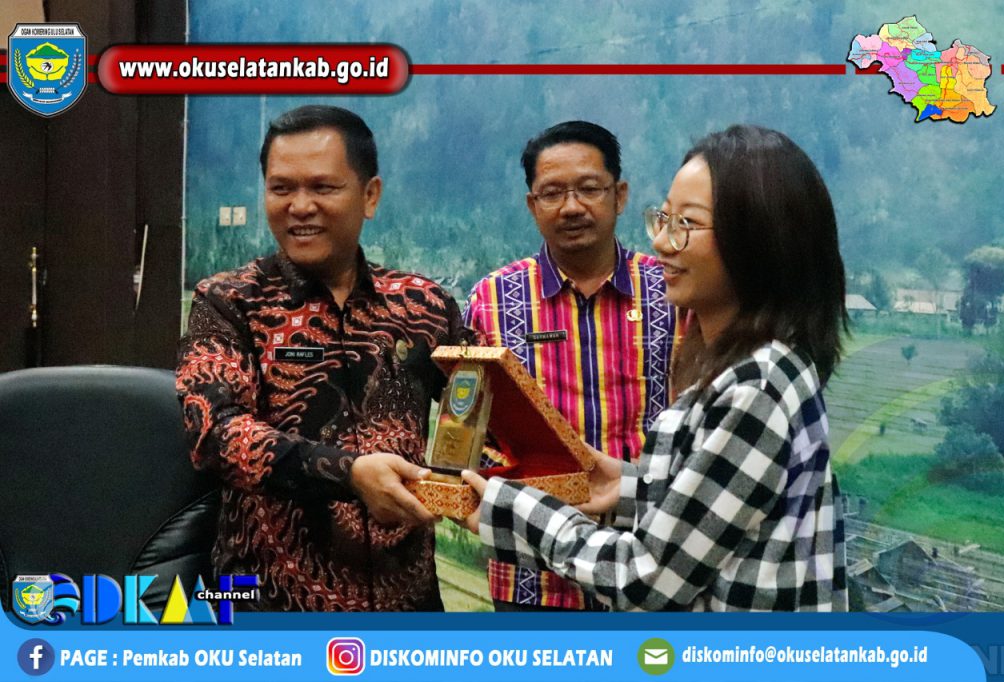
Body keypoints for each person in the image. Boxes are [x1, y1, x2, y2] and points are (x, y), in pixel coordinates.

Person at [462, 125, 849, 611]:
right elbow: (715, 504)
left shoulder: (756, 385)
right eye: (665, 219)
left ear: (757, 239)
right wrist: (629, 486)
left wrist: (510, 508)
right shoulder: (758, 367)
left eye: (687, 223)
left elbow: (645, 580)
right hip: (536, 590)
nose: (664, 242)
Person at [176, 105, 470, 611]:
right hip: (269, 609)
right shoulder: (229, 302)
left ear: (370, 195)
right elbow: (214, 431)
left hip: (409, 606)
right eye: (281, 188)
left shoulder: (423, 305)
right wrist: (349, 473)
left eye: (323, 187)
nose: (300, 206)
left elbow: (486, 406)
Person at [463, 121, 681, 611]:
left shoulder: (669, 292)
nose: (572, 207)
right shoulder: (492, 300)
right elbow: (471, 430)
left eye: (589, 189)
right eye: (553, 193)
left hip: (649, 567)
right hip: (531, 576)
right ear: (532, 205)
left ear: (619, 195)